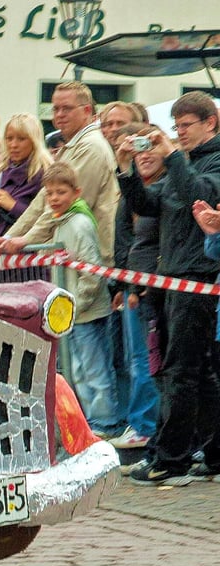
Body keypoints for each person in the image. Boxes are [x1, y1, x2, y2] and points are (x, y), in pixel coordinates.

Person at [118, 91, 220, 486]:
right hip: (175, 277)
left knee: (182, 372)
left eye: (185, 126)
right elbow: (146, 203)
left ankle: (171, 459)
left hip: (199, 279)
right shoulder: (186, 161)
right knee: (200, 373)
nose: (179, 134)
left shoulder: (207, 161)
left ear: (210, 123)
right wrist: (125, 166)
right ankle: (212, 452)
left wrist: (173, 156)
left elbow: (202, 195)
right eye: (175, 127)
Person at [39, 161, 125, 441]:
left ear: (75, 193)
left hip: (85, 312)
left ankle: (106, 421)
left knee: (95, 369)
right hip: (72, 313)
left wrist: (75, 305)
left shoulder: (79, 224)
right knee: (78, 368)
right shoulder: (60, 222)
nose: (54, 198)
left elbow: (91, 271)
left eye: (60, 192)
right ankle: (90, 420)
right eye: (50, 193)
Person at [0, 82, 118, 268]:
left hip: (87, 262)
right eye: (55, 108)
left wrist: (25, 240)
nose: (59, 115)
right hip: (67, 258)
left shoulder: (91, 147)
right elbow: (43, 200)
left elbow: (63, 206)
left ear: (87, 110)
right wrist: (10, 236)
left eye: (66, 108)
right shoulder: (72, 147)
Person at [110, 122, 163, 454]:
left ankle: (145, 426)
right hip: (131, 283)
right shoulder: (133, 192)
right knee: (135, 360)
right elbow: (125, 242)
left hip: (149, 287)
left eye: (151, 147)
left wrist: (144, 283)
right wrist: (120, 282)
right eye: (138, 149)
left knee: (146, 360)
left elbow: (157, 244)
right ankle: (142, 423)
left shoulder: (166, 190)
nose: (144, 155)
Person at [0, 113, 52, 245]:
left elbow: (47, 220)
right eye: (9, 138)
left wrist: (12, 205)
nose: (13, 144)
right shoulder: (1, 172)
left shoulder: (44, 174)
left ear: (34, 141)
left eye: (21, 139)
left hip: (28, 257)